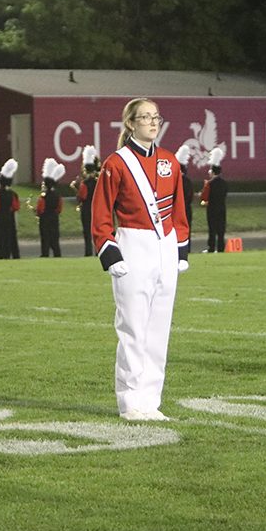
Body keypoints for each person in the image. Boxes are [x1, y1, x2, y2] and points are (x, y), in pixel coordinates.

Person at [91, 97, 190, 421]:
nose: (152, 122)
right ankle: (131, 402)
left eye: (156, 117)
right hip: (133, 242)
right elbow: (101, 211)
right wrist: (109, 250)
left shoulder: (170, 161)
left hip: (165, 244)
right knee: (133, 327)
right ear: (131, 123)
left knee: (158, 329)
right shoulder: (116, 163)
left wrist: (181, 247)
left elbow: (178, 209)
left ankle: (150, 401)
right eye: (145, 117)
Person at [0, 159, 20, 259]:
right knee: (12, 237)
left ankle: (2, 255)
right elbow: (16, 207)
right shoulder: (13, 194)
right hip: (10, 217)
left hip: (0, 218)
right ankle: (15, 255)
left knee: (1, 237)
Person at [72, 145, 100, 256]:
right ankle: (99, 252)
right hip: (97, 209)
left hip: (87, 209)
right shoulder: (99, 181)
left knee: (87, 233)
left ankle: (88, 252)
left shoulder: (85, 183)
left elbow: (81, 197)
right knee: (98, 232)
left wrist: (76, 190)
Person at [199, 147, 228, 252]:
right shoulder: (224, 183)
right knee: (221, 229)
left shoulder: (209, 184)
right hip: (222, 208)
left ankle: (211, 248)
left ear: (213, 172)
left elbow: (204, 197)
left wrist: (202, 201)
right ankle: (221, 248)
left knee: (212, 229)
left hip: (211, 209)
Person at [36, 158, 65, 257]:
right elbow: (59, 208)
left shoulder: (43, 197)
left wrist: (37, 212)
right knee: (55, 238)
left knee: (45, 238)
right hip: (54, 218)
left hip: (45, 218)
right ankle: (57, 254)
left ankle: (45, 254)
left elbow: (40, 209)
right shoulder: (58, 195)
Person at [174, 144, 194, 252]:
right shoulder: (188, 181)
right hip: (187, 209)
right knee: (186, 230)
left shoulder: (174, 181)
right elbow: (190, 196)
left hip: (176, 210)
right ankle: (187, 249)